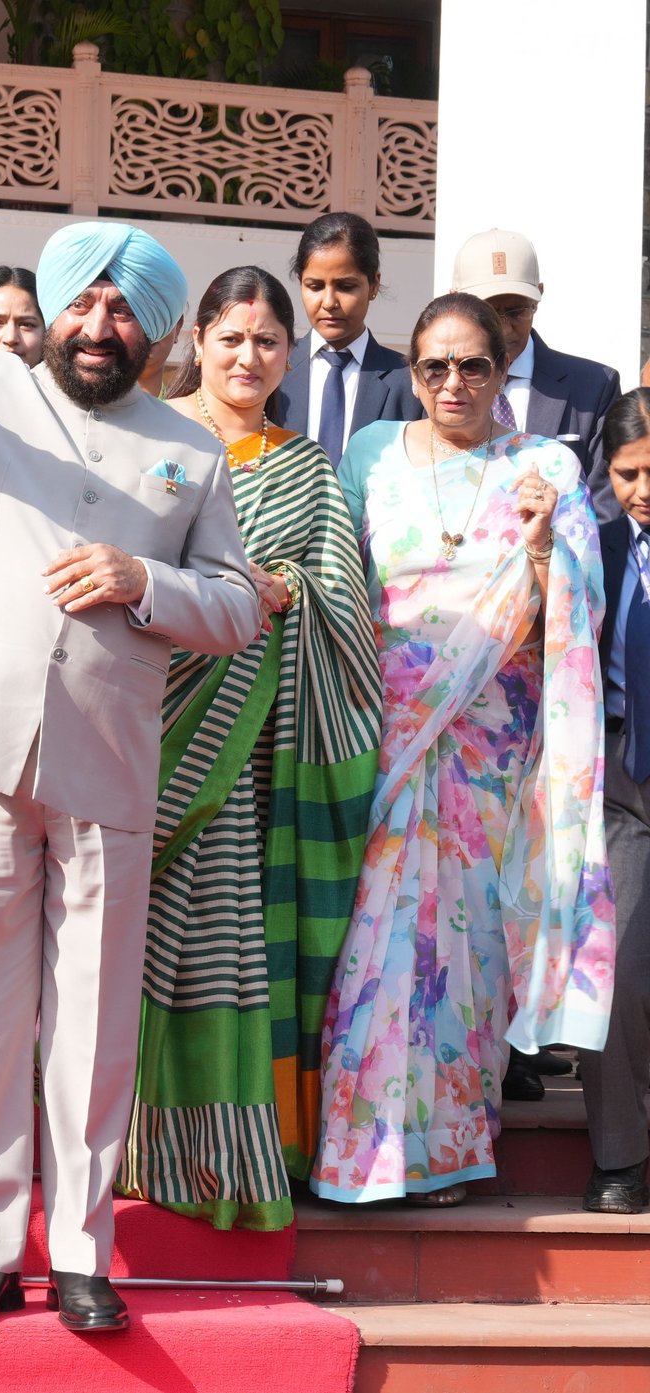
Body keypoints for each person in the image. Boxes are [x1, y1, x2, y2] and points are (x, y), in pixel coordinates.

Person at [0, 158, 260, 1334]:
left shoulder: (188, 447)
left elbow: (236, 605)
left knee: (91, 1018)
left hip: (109, 757)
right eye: (83, 300)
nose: (98, 323)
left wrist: (147, 580)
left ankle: (82, 1251)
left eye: (125, 309)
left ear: (158, 330)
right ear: (56, 303)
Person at [313, 292, 614, 1207]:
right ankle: (359, 1151)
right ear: (411, 372)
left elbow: (576, 610)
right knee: (376, 936)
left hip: (491, 744)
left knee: (469, 949)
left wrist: (539, 546)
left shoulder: (544, 464)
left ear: (503, 369)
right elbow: (344, 584)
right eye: (434, 366)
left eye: (473, 365)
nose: (453, 382)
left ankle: (446, 1149)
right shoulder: (370, 454)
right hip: (388, 731)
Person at [115, 267, 379, 1232]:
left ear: (289, 352)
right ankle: (121, 1138)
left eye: (268, 342)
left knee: (228, 948)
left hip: (249, 748)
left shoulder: (308, 467)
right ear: (199, 336)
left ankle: (218, 1146)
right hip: (146, 723)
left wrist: (288, 591)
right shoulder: (156, 438)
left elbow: (346, 602)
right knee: (128, 937)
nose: (248, 357)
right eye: (231, 337)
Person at [577, 389, 650, 1215]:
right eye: (627, 473)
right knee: (615, 965)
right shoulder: (591, 549)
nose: (642, 489)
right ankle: (621, 1159)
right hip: (621, 783)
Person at [449, 228, 623, 521]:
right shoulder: (433, 385)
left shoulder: (594, 388)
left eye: (517, 311)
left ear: (539, 296)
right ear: (456, 301)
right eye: (489, 313)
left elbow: (607, 508)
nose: (504, 329)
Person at [271, 212, 419, 461]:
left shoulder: (407, 380)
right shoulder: (272, 368)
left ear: (373, 285)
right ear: (300, 283)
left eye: (346, 287)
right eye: (315, 286)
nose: (329, 302)